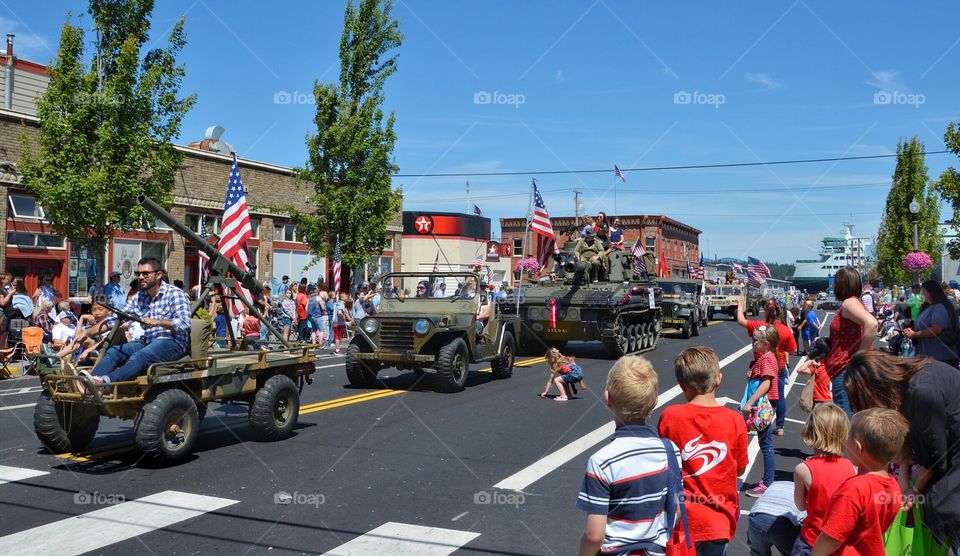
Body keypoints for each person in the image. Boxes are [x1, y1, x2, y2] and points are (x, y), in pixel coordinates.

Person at [843, 351, 960, 546]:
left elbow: (935, 457)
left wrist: (913, 490)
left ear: (873, 390)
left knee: (943, 505)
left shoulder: (921, 391)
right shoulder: (915, 376)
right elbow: (916, 451)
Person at [576, 356, 681, 555]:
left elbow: (594, 536)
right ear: (655, 402)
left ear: (608, 398)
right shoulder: (671, 451)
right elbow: (676, 511)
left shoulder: (602, 462)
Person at [657, 346, 748, 555]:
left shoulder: (671, 416)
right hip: (719, 519)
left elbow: (663, 461)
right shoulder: (734, 420)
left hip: (682, 520)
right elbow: (740, 469)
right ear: (718, 379)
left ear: (682, 385)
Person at [78, 257, 191, 387]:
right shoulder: (139, 296)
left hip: (172, 342)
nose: (141, 277)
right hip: (148, 341)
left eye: (146, 273)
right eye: (138, 274)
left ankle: (104, 383)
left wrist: (158, 322)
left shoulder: (175, 294)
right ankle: (87, 383)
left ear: (158, 274)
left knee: (141, 356)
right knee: (115, 351)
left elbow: (184, 324)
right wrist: (86, 333)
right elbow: (117, 318)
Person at [811, 408, 908, 555]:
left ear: (857, 447)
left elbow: (832, 538)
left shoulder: (854, 490)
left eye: (848, 437)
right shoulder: (894, 486)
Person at [790, 404, 856, 555]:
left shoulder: (803, 469)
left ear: (811, 431)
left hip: (812, 540)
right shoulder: (854, 468)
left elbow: (800, 506)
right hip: (840, 541)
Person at [737, 297, 797, 437]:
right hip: (779, 366)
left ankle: (755, 422)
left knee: (758, 395)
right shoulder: (785, 330)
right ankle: (779, 425)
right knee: (779, 396)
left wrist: (740, 305)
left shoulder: (760, 326)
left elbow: (741, 320)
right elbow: (793, 349)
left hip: (761, 367)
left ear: (766, 311)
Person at [822, 267, 877, 418]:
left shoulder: (848, 303)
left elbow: (872, 324)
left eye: (835, 282)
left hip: (846, 371)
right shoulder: (855, 302)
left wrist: (859, 355)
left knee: (847, 420)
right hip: (850, 370)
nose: (833, 286)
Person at [742, 324, 780, 497]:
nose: (752, 342)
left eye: (755, 340)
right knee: (764, 443)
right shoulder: (765, 357)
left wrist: (749, 403)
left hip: (761, 406)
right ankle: (767, 480)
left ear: (766, 343)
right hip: (761, 405)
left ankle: (767, 482)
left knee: (765, 444)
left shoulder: (768, 359)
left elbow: (767, 383)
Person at [903, 280, 959, 366]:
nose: (921, 294)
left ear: (930, 292)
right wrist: (911, 331)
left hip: (940, 358)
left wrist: (915, 334)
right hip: (929, 356)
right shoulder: (929, 306)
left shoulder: (939, 307)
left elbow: (936, 329)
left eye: (923, 291)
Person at [746, 481, 804, 556]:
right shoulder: (805, 492)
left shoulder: (775, 484)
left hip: (758, 515)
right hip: (784, 522)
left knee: (757, 553)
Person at [796, 338, 832, 406]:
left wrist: (811, 361)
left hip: (819, 400)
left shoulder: (818, 367)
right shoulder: (831, 364)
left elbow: (800, 370)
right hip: (829, 400)